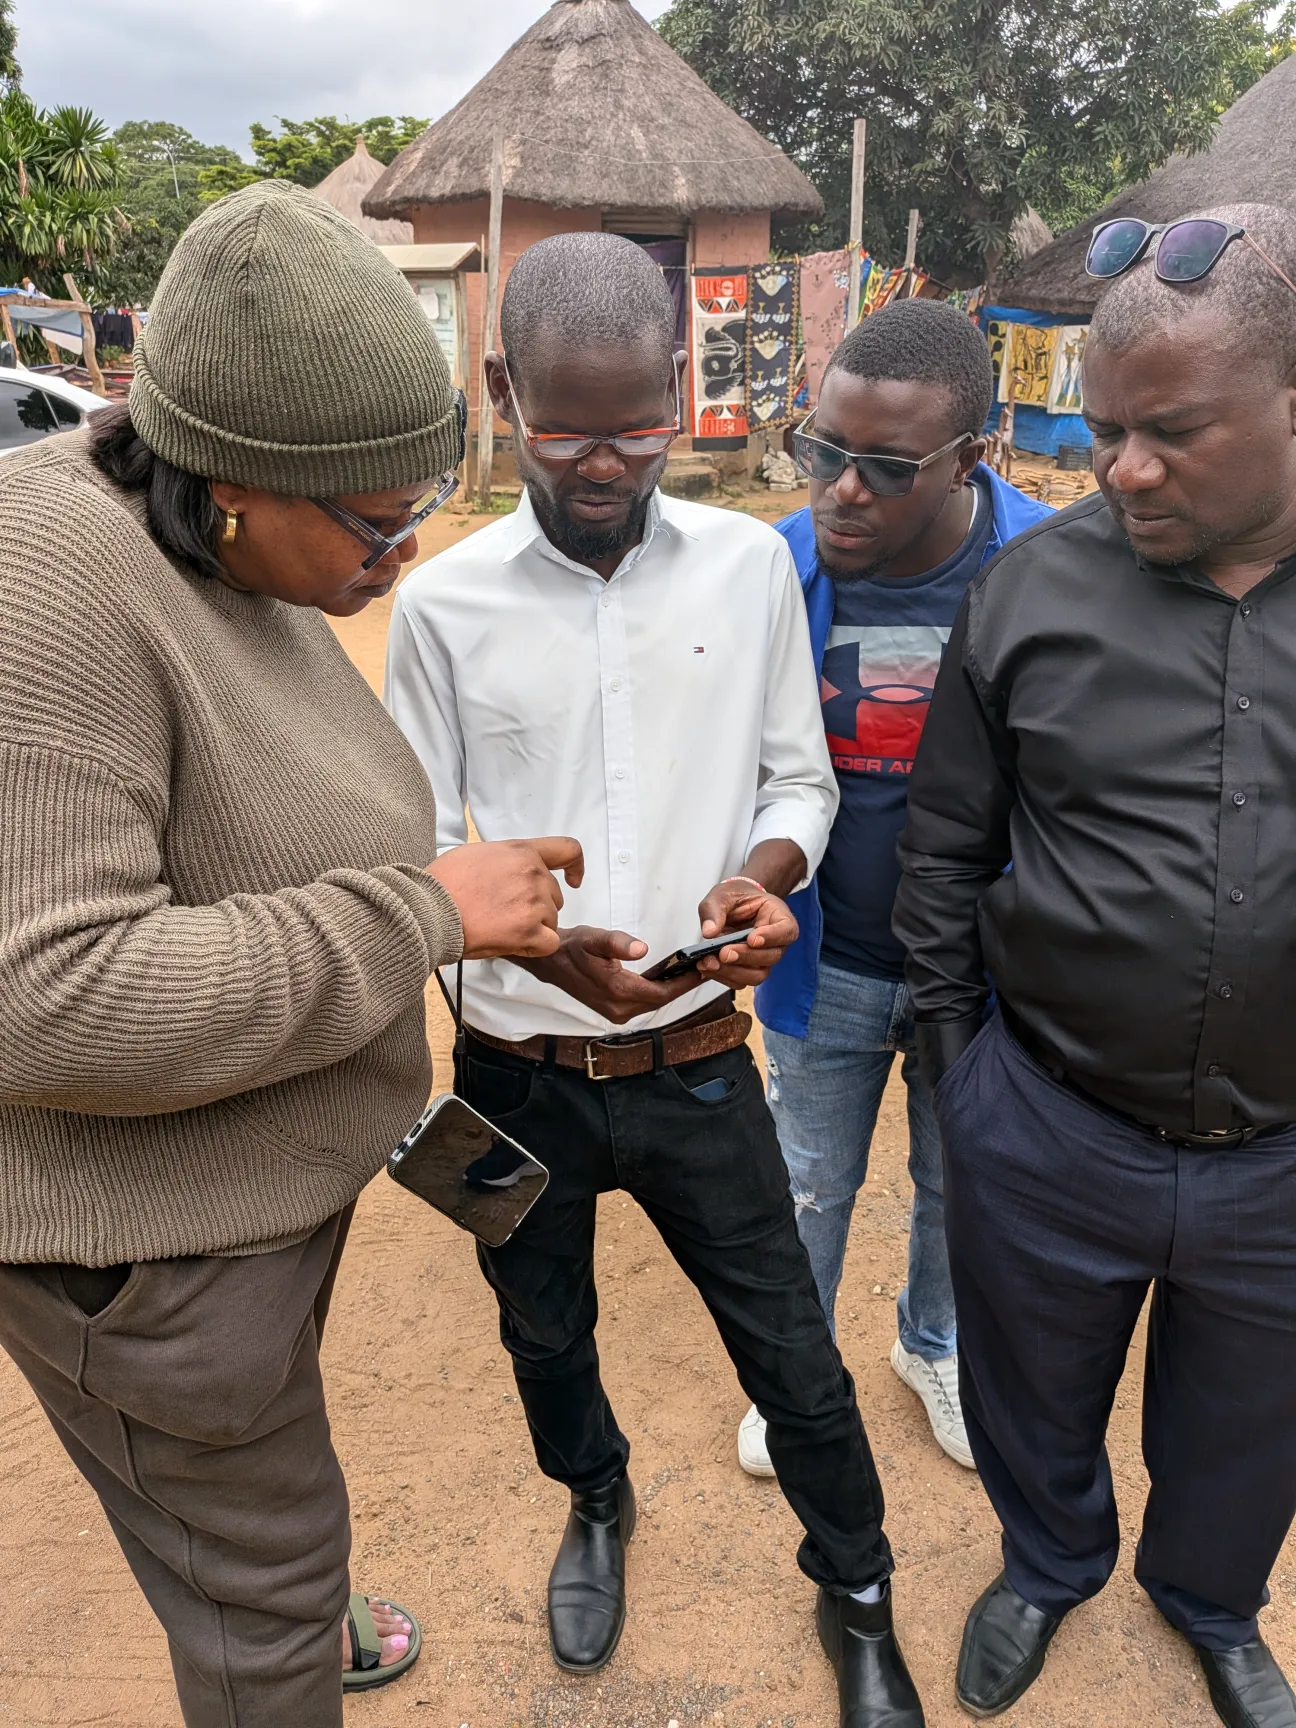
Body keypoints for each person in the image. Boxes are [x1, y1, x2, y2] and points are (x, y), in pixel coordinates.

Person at [0, 181, 581, 1728]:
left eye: (422, 506)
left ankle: (281, 1589)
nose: (405, 551)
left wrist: (481, 919)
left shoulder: (218, 545)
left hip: (259, 1195)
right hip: (152, 1257)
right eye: (377, 522)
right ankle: (276, 1624)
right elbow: (45, 1005)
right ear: (235, 483)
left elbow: (254, 820)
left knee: (266, 1511)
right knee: (256, 1598)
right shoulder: (47, 595)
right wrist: (425, 916)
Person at [387, 231, 926, 1728]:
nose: (607, 460)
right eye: (567, 427)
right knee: (543, 1332)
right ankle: (598, 1501)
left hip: (697, 1064)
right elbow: (421, 849)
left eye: (639, 423)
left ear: (682, 391)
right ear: (503, 393)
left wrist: (769, 877)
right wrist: (528, 942)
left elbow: (795, 779)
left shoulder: (752, 566)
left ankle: (860, 1588)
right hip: (518, 1078)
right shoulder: (443, 605)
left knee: (795, 1359)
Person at [893, 201, 1296, 1728]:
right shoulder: (1034, 590)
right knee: (1030, 1387)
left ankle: (1210, 1601)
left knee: (1255, 1422)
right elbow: (945, 854)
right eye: (1111, 427)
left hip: (1284, 1157)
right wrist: (960, 1085)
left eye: (1171, 432)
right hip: (1052, 1126)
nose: (1122, 467)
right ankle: (1046, 1564)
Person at [739, 300, 1050, 1481]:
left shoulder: (1047, 572)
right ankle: (796, 1374)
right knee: (806, 1184)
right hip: (830, 959)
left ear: (974, 454)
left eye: (884, 466)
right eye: (823, 451)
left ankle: (936, 1347)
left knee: (955, 1181)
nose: (842, 490)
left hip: (984, 972)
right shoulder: (776, 569)